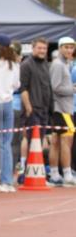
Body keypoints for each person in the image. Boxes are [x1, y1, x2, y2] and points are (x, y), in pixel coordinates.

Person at [0, 35, 20, 192]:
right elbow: (16, 85)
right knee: (6, 143)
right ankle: (6, 181)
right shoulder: (13, 64)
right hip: (7, 103)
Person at [18, 37, 53, 183]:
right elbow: (23, 88)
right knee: (32, 142)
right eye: (39, 48)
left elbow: (48, 86)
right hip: (32, 110)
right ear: (33, 48)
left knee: (39, 143)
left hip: (44, 109)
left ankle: (34, 173)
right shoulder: (26, 65)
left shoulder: (45, 64)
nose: (42, 51)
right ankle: (25, 174)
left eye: (44, 48)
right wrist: (28, 108)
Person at [48, 36, 76, 186]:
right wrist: (72, 89)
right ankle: (66, 173)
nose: (69, 50)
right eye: (66, 47)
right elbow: (56, 87)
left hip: (64, 107)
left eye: (71, 47)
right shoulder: (58, 64)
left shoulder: (65, 63)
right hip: (61, 108)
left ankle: (55, 174)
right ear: (60, 48)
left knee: (57, 141)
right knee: (65, 141)